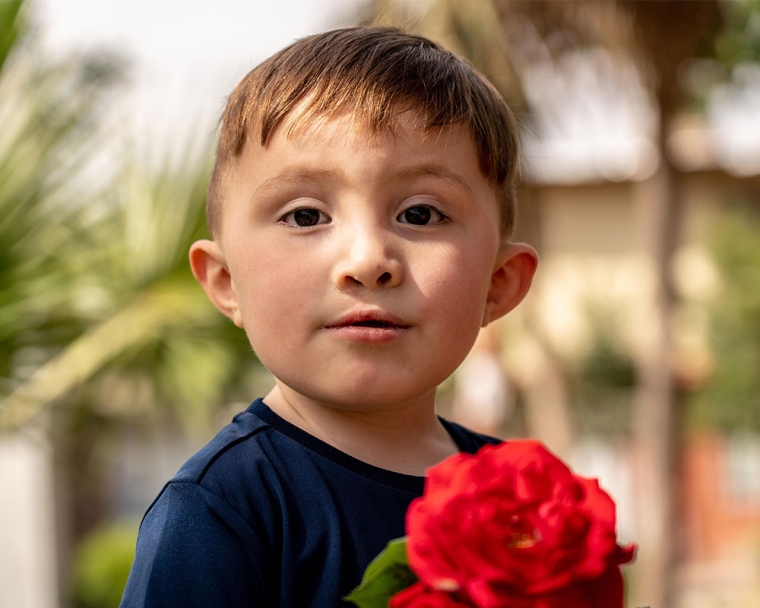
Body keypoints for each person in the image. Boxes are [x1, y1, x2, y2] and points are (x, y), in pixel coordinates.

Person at [120, 25, 538, 607]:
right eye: (304, 216)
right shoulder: (222, 509)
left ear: (498, 283)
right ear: (225, 282)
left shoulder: (522, 497)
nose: (368, 260)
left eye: (420, 214)